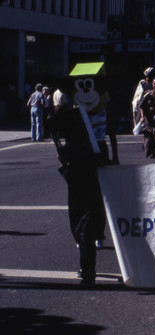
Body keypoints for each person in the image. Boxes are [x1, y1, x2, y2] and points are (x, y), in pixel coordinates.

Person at [45, 106, 106, 286]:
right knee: (83, 228)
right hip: (84, 189)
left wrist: (65, 162)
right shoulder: (84, 139)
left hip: (81, 191)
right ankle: (87, 269)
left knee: (83, 229)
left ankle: (88, 271)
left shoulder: (79, 144)